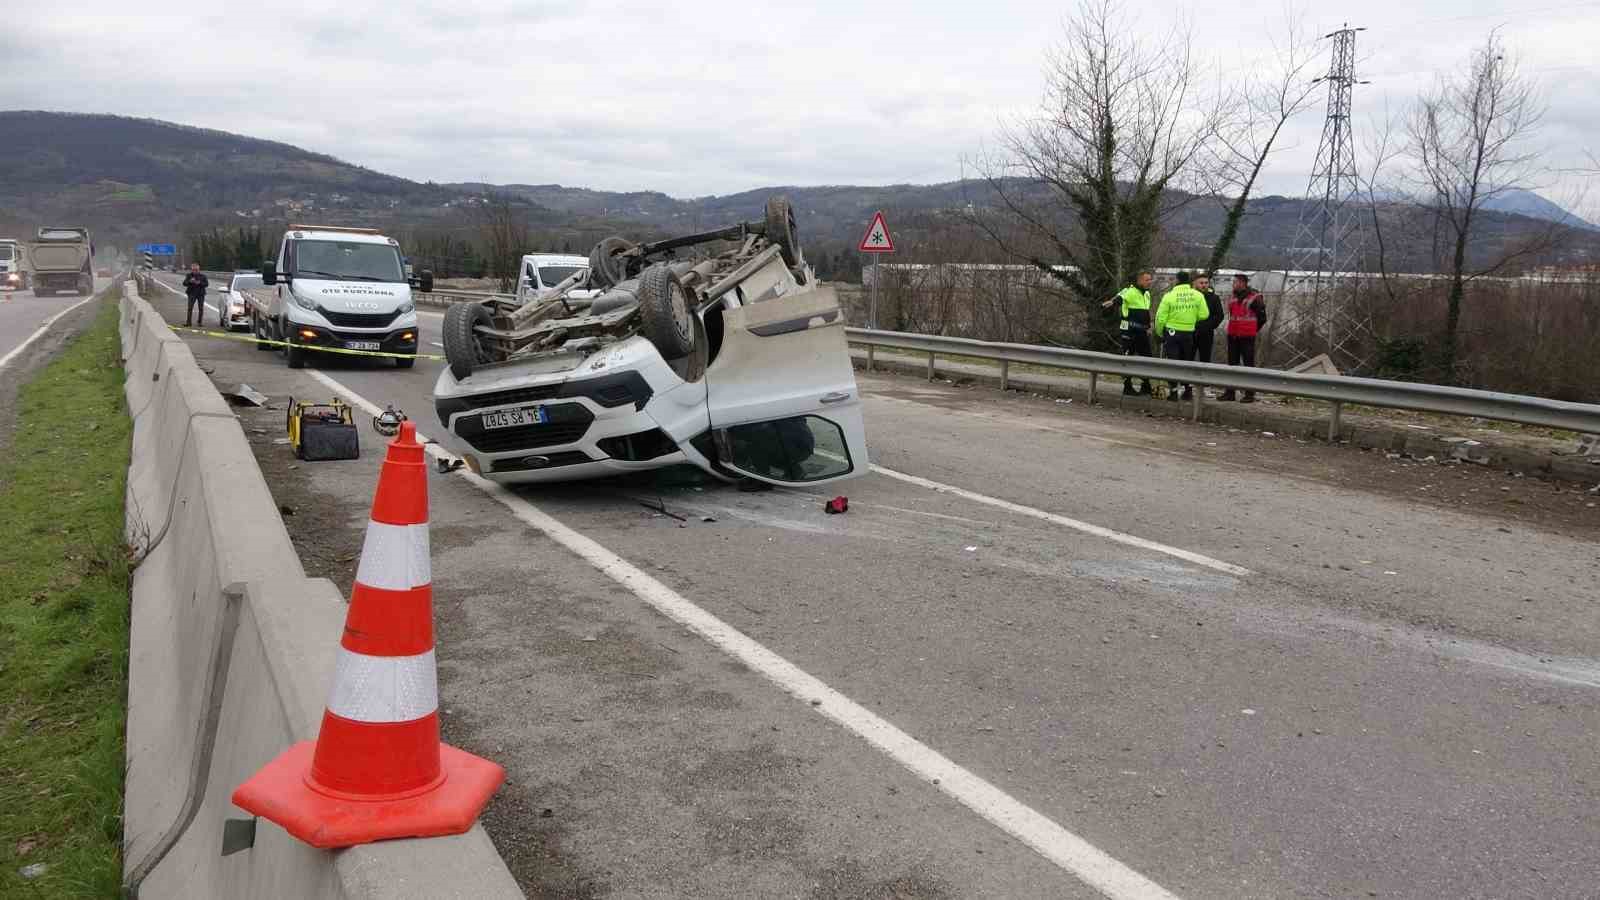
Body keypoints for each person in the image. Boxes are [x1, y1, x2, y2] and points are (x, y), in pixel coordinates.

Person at [1154, 271, 1209, 402]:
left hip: (1172, 333)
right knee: (1186, 363)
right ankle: (1187, 390)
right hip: (1188, 333)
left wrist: (1160, 333)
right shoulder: (1198, 295)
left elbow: (1160, 318)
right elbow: (1204, 314)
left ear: (1177, 280)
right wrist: (1191, 318)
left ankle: (1173, 393)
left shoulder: (1169, 296)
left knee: (1173, 363)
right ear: (1189, 281)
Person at [1101, 270, 1154, 396]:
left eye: (1150, 279)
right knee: (1127, 357)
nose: (1149, 282)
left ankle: (1146, 385)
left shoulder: (1146, 294)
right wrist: (1111, 303)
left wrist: (1149, 325)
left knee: (1147, 358)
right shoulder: (1129, 291)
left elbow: (1146, 311)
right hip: (1129, 330)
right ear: (1139, 280)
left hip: (1142, 331)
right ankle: (1127, 386)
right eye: (1147, 280)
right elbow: (1119, 298)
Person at [1219, 273, 1268, 403]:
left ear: (1242, 283)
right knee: (1231, 365)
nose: (1233, 284)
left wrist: (1252, 330)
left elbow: (1262, 318)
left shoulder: (1255, 297)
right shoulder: (1233, 297)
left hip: (1247, 337)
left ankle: (1249, 394)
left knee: (1248, 365)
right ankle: (1230, 393)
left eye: (1235, 282)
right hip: (1233, 335)